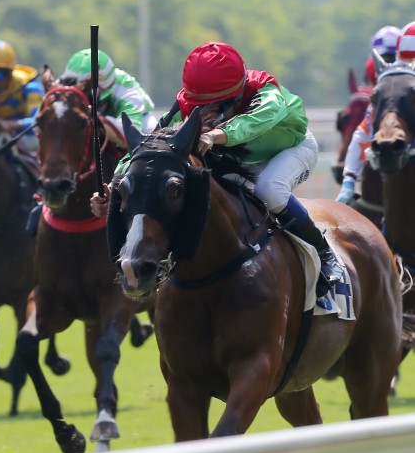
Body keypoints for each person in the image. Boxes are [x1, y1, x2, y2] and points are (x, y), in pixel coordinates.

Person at [95, 41, 343, 298]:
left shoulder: (266, 92)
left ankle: (323, 251)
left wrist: (214, 135)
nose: (206, 112)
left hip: (290, 150)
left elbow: (252, 124)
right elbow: (149, 147)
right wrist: (115, 188)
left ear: (238, 93)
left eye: (216, 105)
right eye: (199, 105)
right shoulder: (186, 103)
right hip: (240, 158)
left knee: (269, 190)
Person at [337, 22, 411, 204]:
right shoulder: (388, 85)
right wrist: (349, 180)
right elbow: (362, 134)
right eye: (385, 57)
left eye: (391, 56)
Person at [60, 48, 158, 140]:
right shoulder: (62, 85)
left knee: (152, 131)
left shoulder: (125, 89)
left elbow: (132, 132)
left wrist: (101, 122)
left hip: (140, 121)